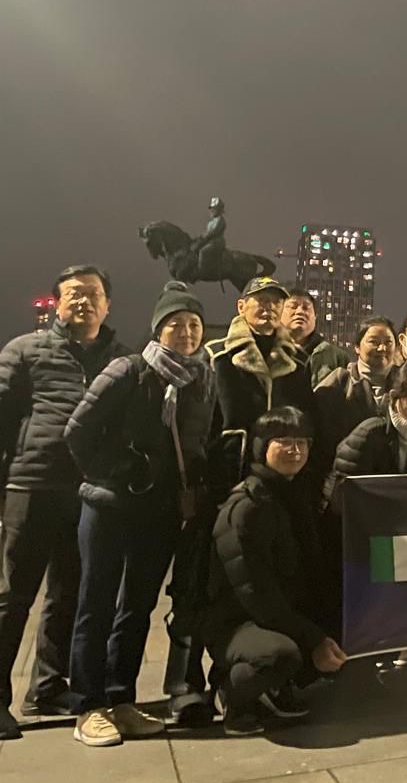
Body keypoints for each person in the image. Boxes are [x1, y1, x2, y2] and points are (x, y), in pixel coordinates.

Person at [0, 264, 132, 740]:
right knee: (13, 594)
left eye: (93, 294)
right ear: (58, 304)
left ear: (107, 305)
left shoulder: (122, 358)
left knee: (70, 595)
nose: (83, 301)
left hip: (90, 492)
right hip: (32, 486)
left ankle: (48, 686)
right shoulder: (24, 350)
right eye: (73, 294)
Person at [63, 282, 214, 747]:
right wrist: (114, 471)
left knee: (137, 608)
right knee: (96, 604)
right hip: (110, 505)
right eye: (175, 324)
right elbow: (77, 431)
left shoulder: (201, 380)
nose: (186, 332)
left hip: (160, 510)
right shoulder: (128, 370)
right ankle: (88, 706)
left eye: (194, 324)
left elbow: (198, 444)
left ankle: (120, 697)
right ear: (157, 330)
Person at [203, 406, 347, 736]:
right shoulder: (247, 507)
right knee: (281, 655)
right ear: (262, 446)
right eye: (284, 441)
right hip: (235, 620)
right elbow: (256, 595)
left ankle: (277, 687)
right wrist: (312, 638)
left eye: (303, 442)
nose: (296, 450)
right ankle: (234, 693)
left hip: (277, 609)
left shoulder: (295, 494)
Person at [206, 277, 316, 497]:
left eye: (276, 302)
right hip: (228, 470)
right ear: (241, 306)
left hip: (282, 472)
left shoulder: (298, 360)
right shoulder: (217, 356)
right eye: (263, 300)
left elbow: (306, 417)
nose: (270, 307)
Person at [313, 316, 405, 482]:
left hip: (394, 480)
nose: (382, 348)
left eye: (388, 342)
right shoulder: (338, 382)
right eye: (373, 342)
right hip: (348, 479)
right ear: (357, 346)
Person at [282, 291, 352, 388]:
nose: (299, 312)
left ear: (315, 316)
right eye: (293, 307)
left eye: (306, 308)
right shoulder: (269, 352)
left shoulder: (337, 357)